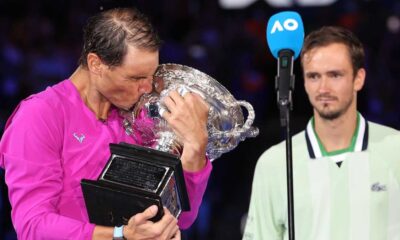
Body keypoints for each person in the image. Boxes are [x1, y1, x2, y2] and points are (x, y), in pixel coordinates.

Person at [0, 7, 212, 240]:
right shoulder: (40, 116)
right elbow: (33, 226)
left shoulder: (141, 118)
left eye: (150, 77)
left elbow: (179, 217)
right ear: (95, 64)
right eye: (135, 78)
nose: (147, 88)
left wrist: (195, 147)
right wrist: (119, 235)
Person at [243, 26, 400, 240]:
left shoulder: (395, 149)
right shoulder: (274, 163)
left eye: (335, 75)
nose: (323, 88)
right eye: (314, 76)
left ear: (358, 78)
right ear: (304, 82)